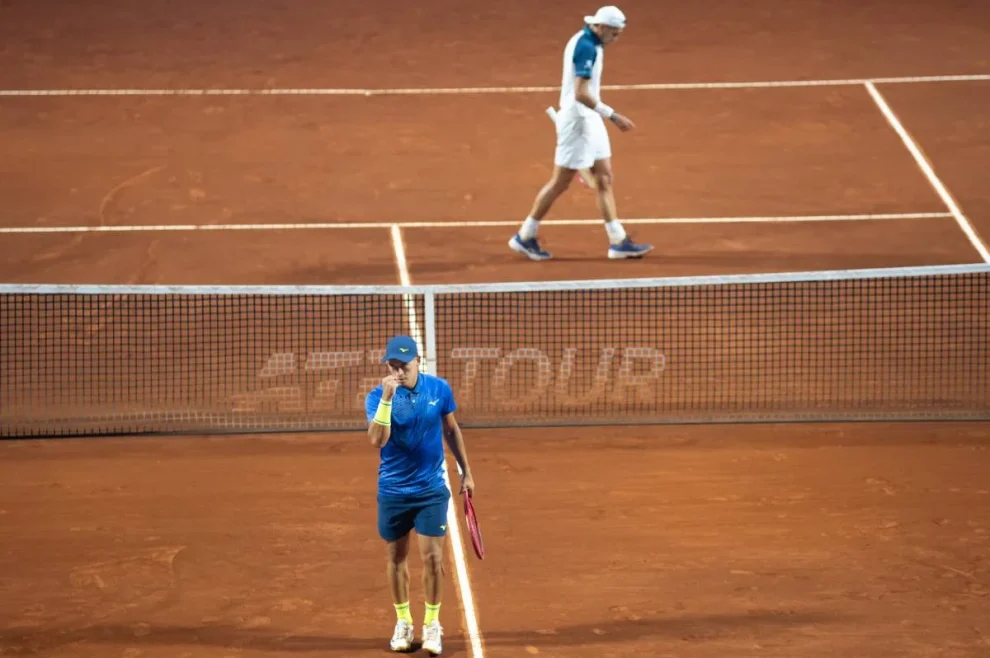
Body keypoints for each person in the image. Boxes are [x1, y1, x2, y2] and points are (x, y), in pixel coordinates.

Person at [509, 5, 653, 261]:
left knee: (604, 177)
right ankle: (525, 235)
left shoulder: (592, 41)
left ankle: (618, 241)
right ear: (602, 27)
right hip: (578, 121)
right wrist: (613, 115)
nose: (616, 39)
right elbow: (581, 93)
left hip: (589, 118)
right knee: (560, 182)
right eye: (614, 33)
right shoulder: (586, 47)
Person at [365, 335, 476, 655]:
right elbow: (377, 440)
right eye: (393, 366)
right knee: (396, 558)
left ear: (417, 361)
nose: (399, 372)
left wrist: (466, 470)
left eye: (404, 366)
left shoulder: (439, 389)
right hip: (393, 491)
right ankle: (403, 622)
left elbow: (451, 429)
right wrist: (387, 400)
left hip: (430, 490)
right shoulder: (377, 397)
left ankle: (431, 623)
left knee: (433, 558)